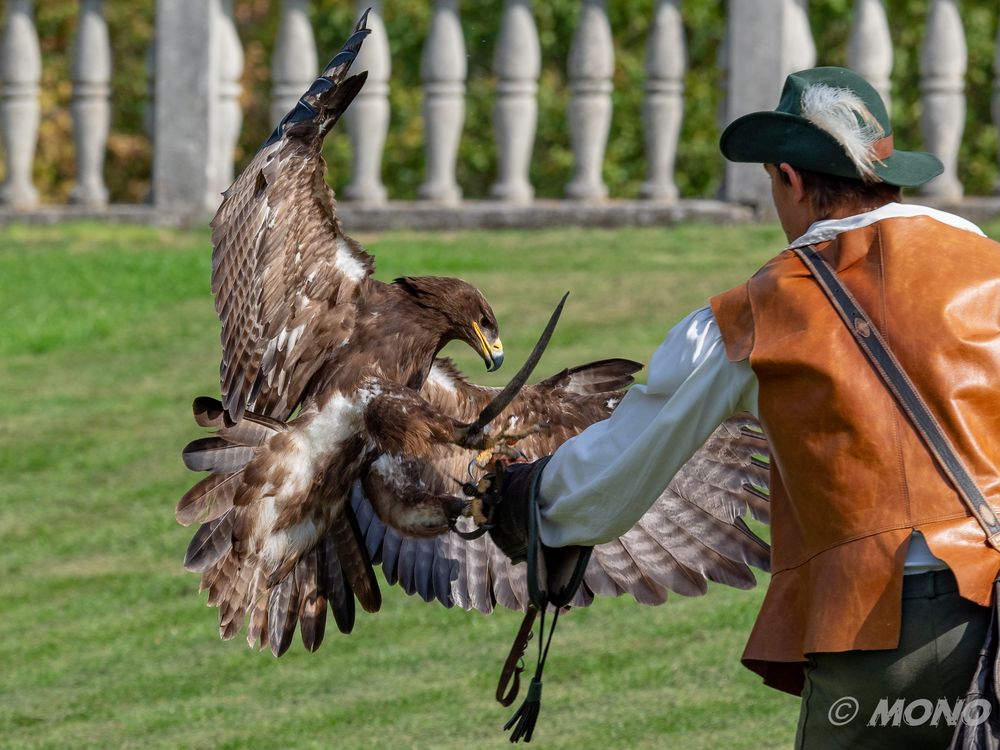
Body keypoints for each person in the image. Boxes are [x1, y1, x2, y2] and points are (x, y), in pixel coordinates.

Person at [487, 67, 1000, 748]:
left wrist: (524, 495)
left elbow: (613, 479)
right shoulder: (986, 266)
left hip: (891, 623)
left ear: (788, 177)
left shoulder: (758, 311)